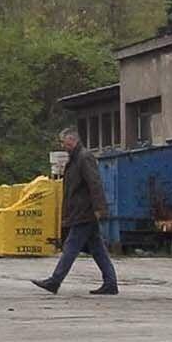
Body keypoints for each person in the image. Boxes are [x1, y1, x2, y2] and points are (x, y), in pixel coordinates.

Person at [35, 126, 117, 295]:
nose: (63, 145)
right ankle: (110, 283)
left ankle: (55, 281)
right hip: (82, 211)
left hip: (85, 212)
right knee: (97, 249)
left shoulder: (84, 157)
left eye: (64, 142)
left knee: (71, 247)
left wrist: (100, 209)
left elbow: (94, 183)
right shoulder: (75, 158)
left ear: (72, 140)